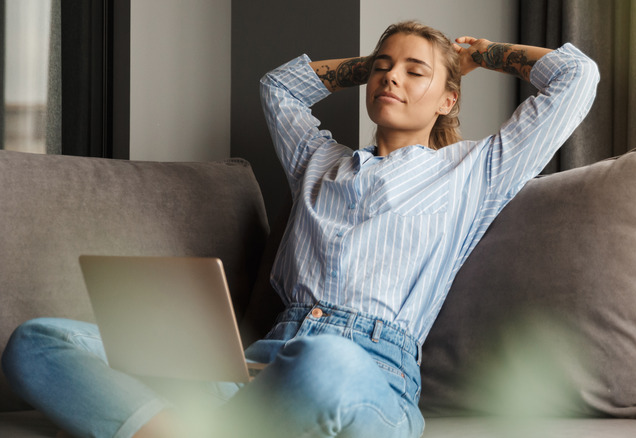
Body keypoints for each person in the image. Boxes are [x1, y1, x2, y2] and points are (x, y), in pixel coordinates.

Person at [2, 21, 599, 438]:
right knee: (37, 342)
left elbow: (575, 77)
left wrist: (479, 53)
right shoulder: (317, 160)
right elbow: (279, 88)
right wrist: (378, 63)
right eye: (383, 69)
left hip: (369, 376)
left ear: (448, 100)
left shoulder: (474, 172)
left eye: (415, 73)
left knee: (326, 360)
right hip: (258, 367)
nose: (391, 78)